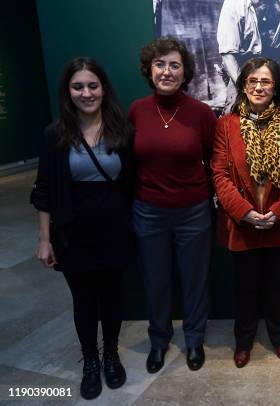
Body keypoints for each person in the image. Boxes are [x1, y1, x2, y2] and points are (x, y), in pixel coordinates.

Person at [31, 57, 134, 399]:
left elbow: (134, 183)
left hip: (115, 229)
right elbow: (43, 189)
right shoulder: (54, 135)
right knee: (84, 301)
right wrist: (45, 239)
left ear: (103, 88)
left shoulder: (123, 130)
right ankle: (90, 360)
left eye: (93, 85)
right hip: (73, 232)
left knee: (113, 299)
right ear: (68, 91)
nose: (86, 93)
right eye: (78, 86)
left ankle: (111, 355)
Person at [211, 57, 280, 368]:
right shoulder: (227, 126)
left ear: (276, 86)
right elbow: (219, 174)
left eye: (265, 81)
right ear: (243, 85)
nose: (258, 86)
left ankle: (279, 338)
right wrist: (245, 212)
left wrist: (279, 211)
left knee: (278, 287)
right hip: (243, 226)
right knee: (245, 288)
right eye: (252, 81)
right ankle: (244, 341)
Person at [129, 37, 217, 373]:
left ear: (185, 72)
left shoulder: (201, 113)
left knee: (195, 280)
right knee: (156, 280)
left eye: (174, 65)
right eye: (160, 64)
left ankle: (194, 340)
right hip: (149, 211)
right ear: (149, 70)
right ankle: (159, 341)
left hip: (193, 211)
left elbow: (213, 158)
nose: (166, 71)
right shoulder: (137, 110)